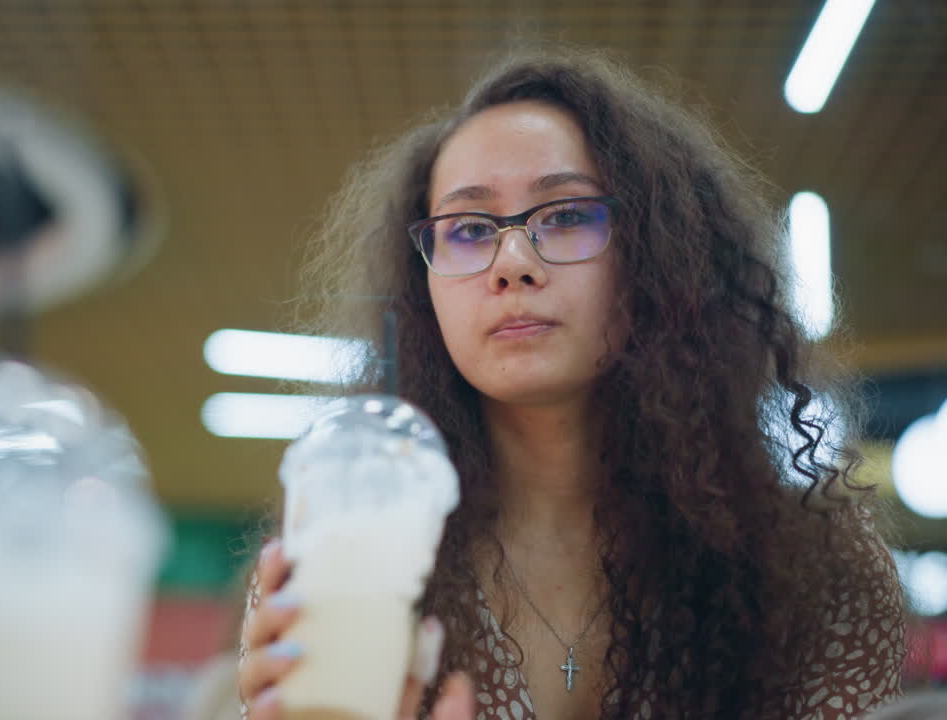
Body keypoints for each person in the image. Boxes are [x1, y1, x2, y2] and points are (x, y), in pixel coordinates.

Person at [237, 43, 908, 720]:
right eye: (469, 229)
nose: (513, 263)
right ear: (424, 286)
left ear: (658, 251)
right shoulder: (343, 558)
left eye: (565, 216)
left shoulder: (817, 572)